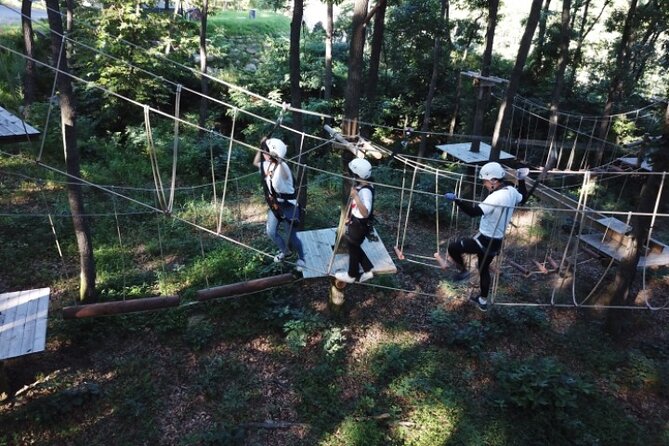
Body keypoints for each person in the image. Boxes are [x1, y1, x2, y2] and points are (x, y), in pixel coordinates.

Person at [443, 162, 529, 311]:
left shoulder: (495, 197)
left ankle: (463, 271)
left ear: (494, 180)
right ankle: (482, 301)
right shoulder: (511, 191)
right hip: (496, 242)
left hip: (484, 241)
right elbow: (524, 196)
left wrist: (457, 200)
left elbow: (473, 212)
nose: (484, 184)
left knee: (453, 248)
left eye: (485, 181)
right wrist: (521, 179)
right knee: (483, 269)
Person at [253, 137, 306, 272]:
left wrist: (280, 159)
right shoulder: (267, 164)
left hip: (289, 205)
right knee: (271, 231)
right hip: (276, 205)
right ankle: (285, 251)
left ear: (273, 154)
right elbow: (255, 162)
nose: (264, 154)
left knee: (291, 235)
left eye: (266, 152)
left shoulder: (283, 167)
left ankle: (301, 258)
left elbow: (286, 175)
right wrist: (261, 145)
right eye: (264, 152)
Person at [334, 158, 375, 284]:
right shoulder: (362, 185)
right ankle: (368, 270)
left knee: (352, 245)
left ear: (358, 175)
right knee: (354, 246)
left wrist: (356, 196)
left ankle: (351, 275)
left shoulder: (366, 191)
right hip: (356, 220)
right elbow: (356, 206)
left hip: (360, 224)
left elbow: (365, 212)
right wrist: (349, 215)